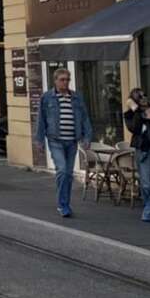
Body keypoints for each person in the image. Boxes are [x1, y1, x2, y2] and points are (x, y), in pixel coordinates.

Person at [33, 68, 93, 217]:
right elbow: (41, 120)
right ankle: (63, 205)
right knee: (62, 170)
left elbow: (85, 118)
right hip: (55, 140)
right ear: (55, 80)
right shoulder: (47, 98)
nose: (65, 82)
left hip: (72, 140)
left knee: (68, 174)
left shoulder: (77, 98)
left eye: (67, 80)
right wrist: (39, 140)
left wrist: (87, 137)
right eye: (62, 79)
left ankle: (65, 203)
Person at [125, 89, 150, 222]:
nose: (143, 98)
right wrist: (137, 110)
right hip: (143, 149)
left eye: (144, 95)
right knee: (146, 184)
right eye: (139, 97)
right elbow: (135, 128)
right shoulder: (130, 114)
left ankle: (149, 212)